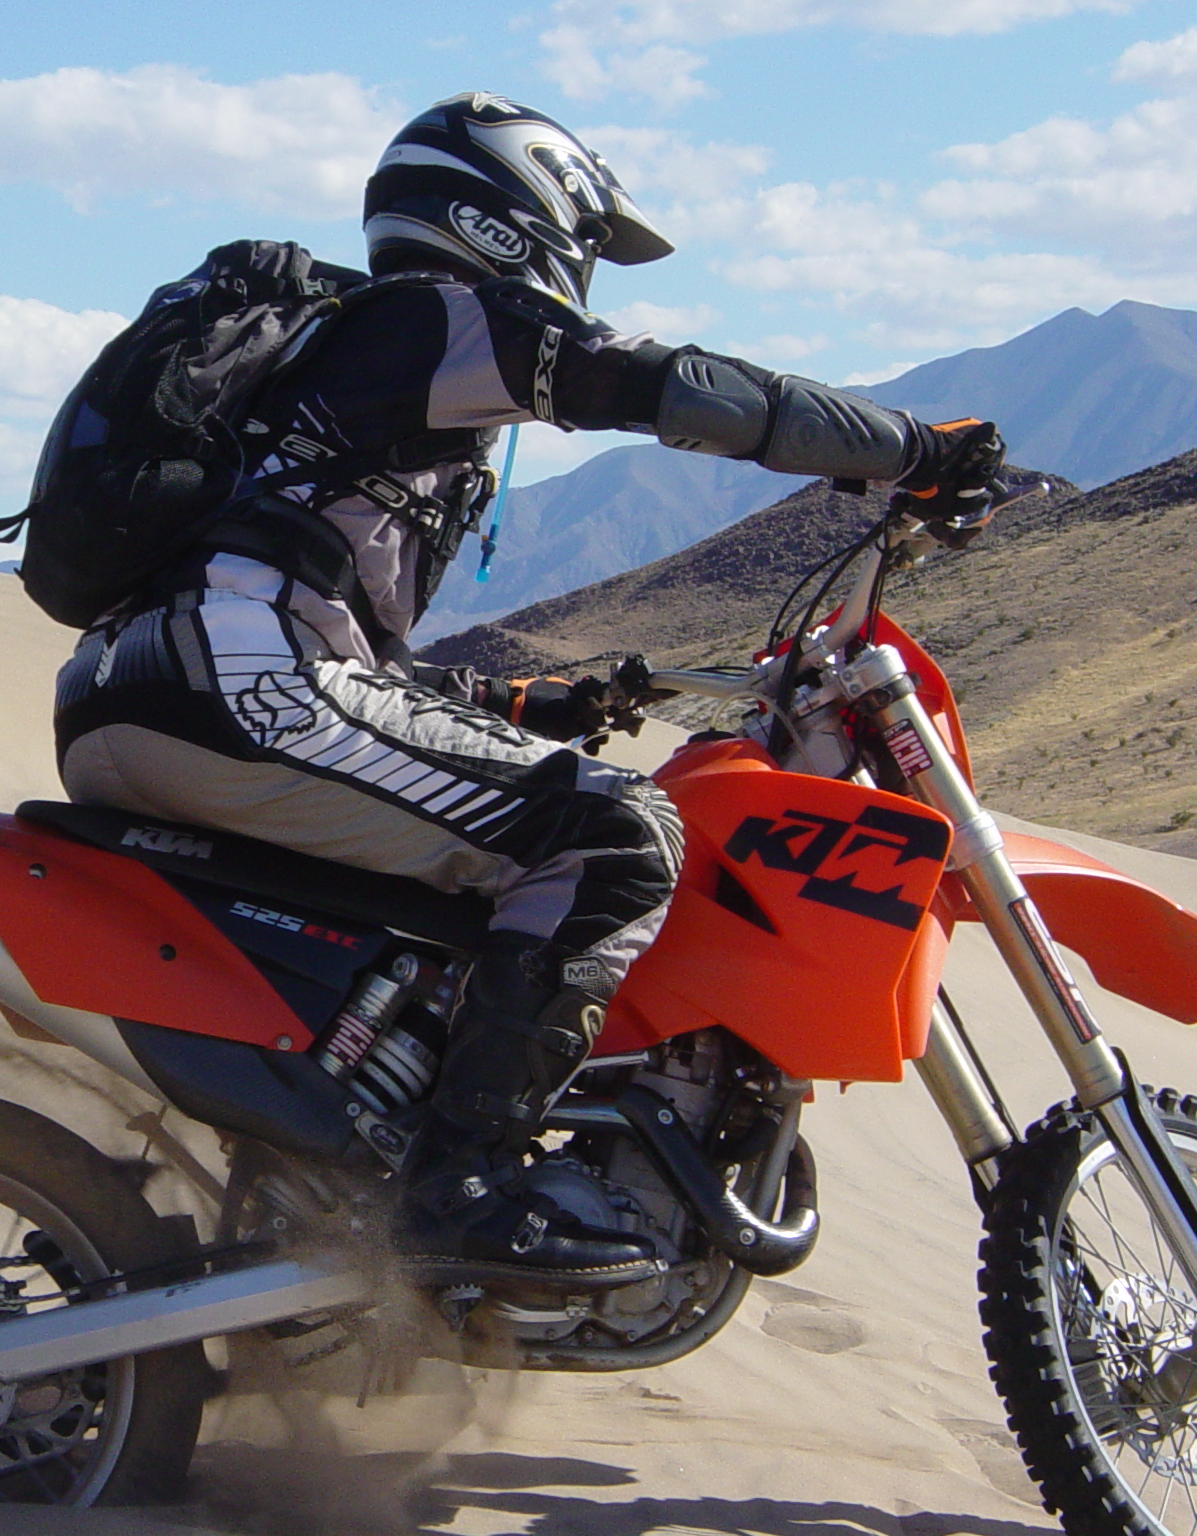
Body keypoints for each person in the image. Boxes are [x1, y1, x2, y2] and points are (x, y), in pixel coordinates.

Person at [50, 92, 1006, 1278]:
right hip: (231, 685)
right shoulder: (437, 317)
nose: (583, 270)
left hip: (137, 687)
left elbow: (329, 632)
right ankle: (460, 1189)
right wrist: (911, 448)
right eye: (584, 238)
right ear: (510, 216)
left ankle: (342, 1186)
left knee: (480, 873)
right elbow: (676, 387)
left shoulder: (345, 364)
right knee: (614, 837)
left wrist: (514, 707)